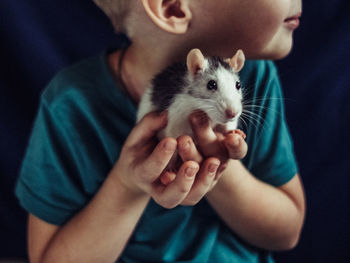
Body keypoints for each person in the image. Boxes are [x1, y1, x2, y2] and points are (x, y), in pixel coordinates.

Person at [15, 0, 306, 262]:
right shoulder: (70, 105)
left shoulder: (254, 76)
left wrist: (219, 165)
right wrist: (129, 184)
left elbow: (287, 232)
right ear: (173, 8)